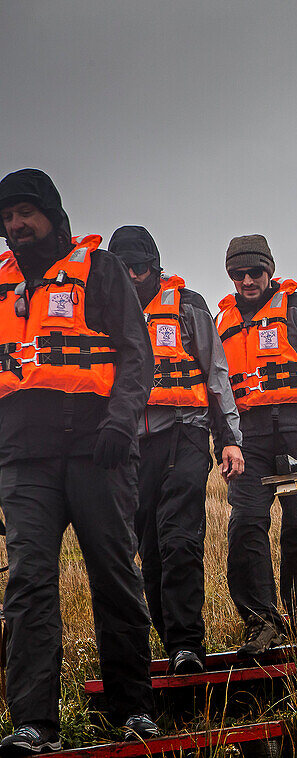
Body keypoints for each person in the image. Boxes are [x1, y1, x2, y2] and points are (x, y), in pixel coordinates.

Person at [0, 169, 158, 755]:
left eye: (25, 213)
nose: (15, 226)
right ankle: (34, 725)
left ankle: (133, 709)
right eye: (7, 217)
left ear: (51, 213)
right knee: (28, 585)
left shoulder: (98, 269)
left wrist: (120, 425)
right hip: (23, 459)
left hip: (99, 451)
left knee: (114, 575)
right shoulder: (0, 284)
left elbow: (135, 353)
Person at [108, 225, 245, 675]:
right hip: (132, 446)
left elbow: (217, 374)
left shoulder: (188, 308)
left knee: (179, 540)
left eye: (141, 268)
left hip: (185, 435)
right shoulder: (101, 312)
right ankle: (172, 645)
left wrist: (229, 442)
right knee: (148, 549)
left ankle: (188, 643)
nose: (132, 277)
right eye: (123, 269)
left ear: (155, 267)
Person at [216, 234, 297, 655]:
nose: (247, 280)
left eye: (255, 272)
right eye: (239, 274)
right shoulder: (223, 322)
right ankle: (262, 622)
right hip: (246, 436)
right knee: (246, 524)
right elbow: (217, 387)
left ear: (269, 270)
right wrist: (224, 441)